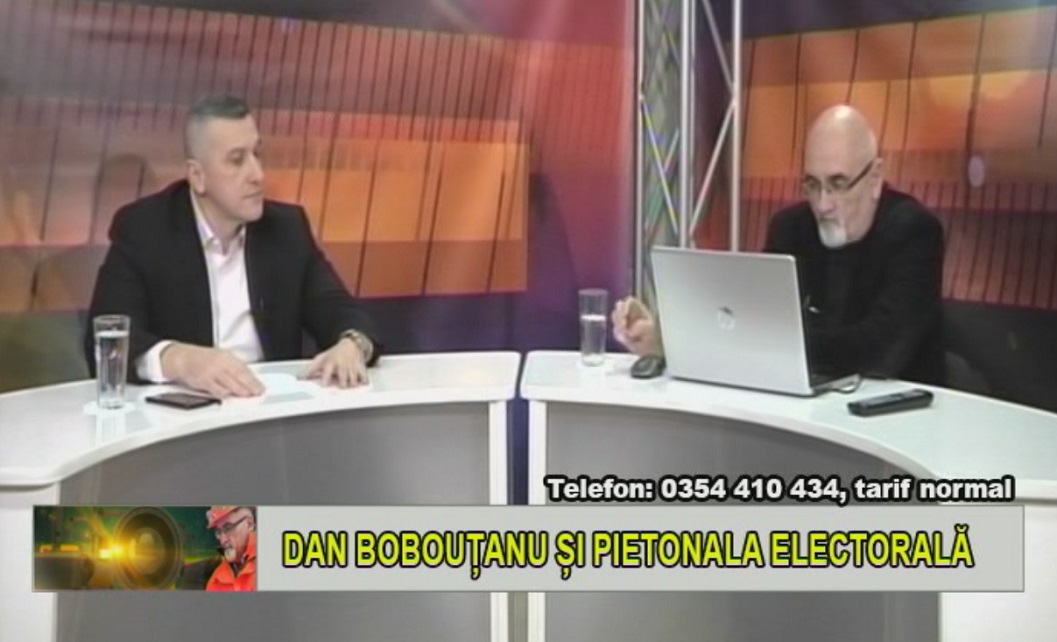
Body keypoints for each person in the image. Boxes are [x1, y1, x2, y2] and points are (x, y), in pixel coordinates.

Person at [613, 104, 945, 385]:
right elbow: (745, 320)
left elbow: (882, 351)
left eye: (838, 184)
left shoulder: (915, 232)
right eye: (812, 184)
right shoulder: (791, 228)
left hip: (899, 419)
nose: (823, 204)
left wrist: (769, 343)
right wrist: (665, 339)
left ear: (875, 179)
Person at [83, 95, 380, 398]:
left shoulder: (286, 229)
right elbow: (108, 340)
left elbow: (338, 309)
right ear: (197, 176)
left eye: (257, 155)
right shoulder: (146, 230)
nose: (257, 175)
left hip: (269, 410)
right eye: (237, 160)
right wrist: (182, 360)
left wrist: (352, 344)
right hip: (182, 418)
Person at [204, 505, 256, 592]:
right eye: (219, 532)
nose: (223, 540)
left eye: (228, 528)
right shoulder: (216, 580)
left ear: (249, 524)